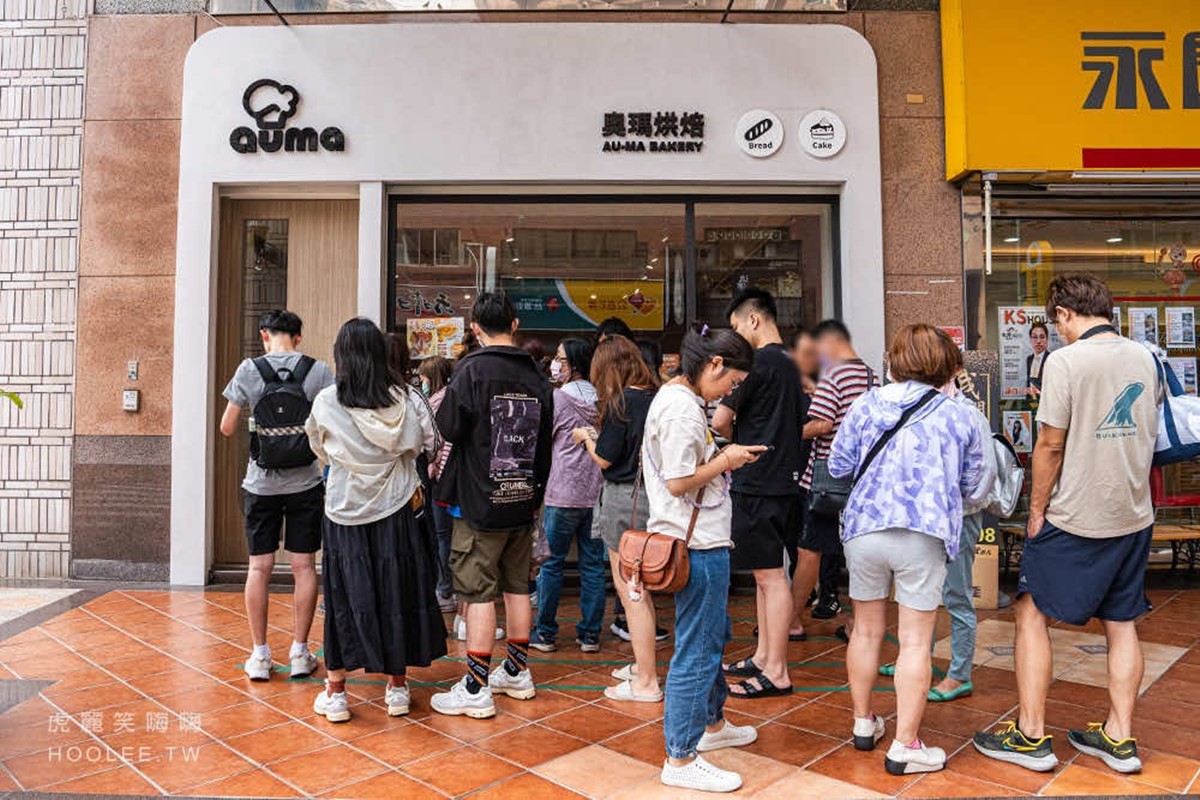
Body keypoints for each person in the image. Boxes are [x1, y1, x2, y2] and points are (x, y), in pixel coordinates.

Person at [975, 275, 1157, 775]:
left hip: (1075, 514)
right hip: (1132, 513)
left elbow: (1050, 444)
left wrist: (1035, 510)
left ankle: (1031, 736)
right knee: (1121, 623)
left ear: (1063, 314)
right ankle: (1119, 739)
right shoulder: (1145, 356)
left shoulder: (1066, 361)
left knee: (1031, 612)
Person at [830, 323, 987, 775]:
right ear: (944, 363)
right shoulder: (959, 414)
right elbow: (975, 485)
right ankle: (905, 745)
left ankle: (863, 723)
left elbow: (839, 465)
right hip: (924, 532)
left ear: (894, 360)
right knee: (916, 640)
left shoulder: (865, 403)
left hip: (864, 530)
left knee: (864, 631)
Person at [305, 318, 448, 723]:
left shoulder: (326, 402)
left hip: (343, 512)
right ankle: (397, 687)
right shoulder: (406, 399)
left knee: (344, 598)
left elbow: (320, 448)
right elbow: (432, 446)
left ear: (342, 356)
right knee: (395, 592)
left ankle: (335, 692)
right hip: (396, 511)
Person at [645, 325, 766, 793]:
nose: (730, 391)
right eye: (731, 382)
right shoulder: (679, 408)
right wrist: (728, 459)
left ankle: (712, 725)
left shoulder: (682, 399)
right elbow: (678, 480)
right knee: (697, 651)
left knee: (711, 639)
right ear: (714, 365)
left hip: (700, 539)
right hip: (694, 543)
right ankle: (680, 757)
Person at [431, 292, 554, 719]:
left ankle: (475, 685)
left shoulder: (471, 371)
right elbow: (545, 445)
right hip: (523, 498)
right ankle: (517, 671)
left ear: (475, 328)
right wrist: (536, 495)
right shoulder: (538, 376)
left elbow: (448, 427)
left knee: (478, 592)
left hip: (478, 501)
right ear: (515, 324)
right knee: (518, 586)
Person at [878, 340, 999, 703]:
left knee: (956, 595)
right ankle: (917, 657)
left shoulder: (965, 413)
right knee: (920, 592)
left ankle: (959, 673)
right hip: (926, 520)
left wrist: (954, 506)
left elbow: (983, 478)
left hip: (959, 518)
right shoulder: (925, 407)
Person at [219, 310, 333, 683]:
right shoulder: (318, 371)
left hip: (260, 484)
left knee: (259, 568)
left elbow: (226, 427)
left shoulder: (249, 370)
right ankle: (300, 652)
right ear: (299, 337)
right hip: (305, 483)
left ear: (264, 334)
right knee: (303, 567)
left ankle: (260, 654)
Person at [712, 289, 806, 699]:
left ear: (753, 320)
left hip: (757, 477)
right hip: (785, 477)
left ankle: (777, 670)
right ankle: (765, 656)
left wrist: (737, 443)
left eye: (735, 326)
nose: (735, 336)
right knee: (769, 574)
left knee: (770, 577)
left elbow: (721, 420)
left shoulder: (756, 365)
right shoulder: (792, 364)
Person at [573, 335, 663, 702]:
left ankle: (646, 680)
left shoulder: (621, 402)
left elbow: (606, 459)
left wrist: (587, 438)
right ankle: (644, 663)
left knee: (631, 590)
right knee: (642, 588)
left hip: (624, 500)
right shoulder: (657, 397)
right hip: (654, 498)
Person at [796, 320, 879, 637]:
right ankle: (856, 623)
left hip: (826, 478)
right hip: (860, 480)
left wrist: (787, 435)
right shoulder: (872, 376)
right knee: (857, 553)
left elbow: (821, 424)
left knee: (809, 551)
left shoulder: (834, 374)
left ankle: (790, 620)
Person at [531, 339, 607, 653]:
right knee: (593, 566)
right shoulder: (603, 399)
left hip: (562, 491)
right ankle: (590, 634)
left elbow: (542, 442)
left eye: (560, 358)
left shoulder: (558, 399)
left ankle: (546, 632)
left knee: (551, 565)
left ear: (573, 363)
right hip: (596, 493)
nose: (555, 364)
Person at [418, 356, 458, 613]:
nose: (419, 381)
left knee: (443, 535)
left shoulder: (436, 403)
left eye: (422, 377)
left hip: (440, 477)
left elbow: (438, 443)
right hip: (449, 477)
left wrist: (432, 464)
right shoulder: (450, 398)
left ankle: (445, 588)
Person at [787, 329, 819, 630]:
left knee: (807, 546)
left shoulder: (821, 387)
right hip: (794, 473)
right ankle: (798, 605)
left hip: (814, 476)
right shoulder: (790, 386)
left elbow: (823, 424)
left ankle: (802, 609)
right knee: (797, 543)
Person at [1026, 322, 1050, 397]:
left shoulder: (1051, 359)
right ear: (1030, 340)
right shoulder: (1029, 359)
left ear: (1047, 339)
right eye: (1035, 337)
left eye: (1042, 337)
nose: (1038, 341)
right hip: (1030, 402)